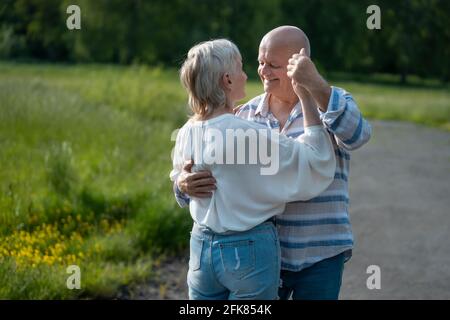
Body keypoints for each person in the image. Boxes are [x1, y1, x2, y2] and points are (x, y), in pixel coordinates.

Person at [174, 26, 372, 300]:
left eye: (273, 65)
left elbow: (358, 135)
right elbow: (209, 186)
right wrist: (183, 186)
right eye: (260, 62)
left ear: (299, 65)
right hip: (260, 255)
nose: (263, 71)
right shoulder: (243, 115)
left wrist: (315, 87)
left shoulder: (331, 101)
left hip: (319, 254)